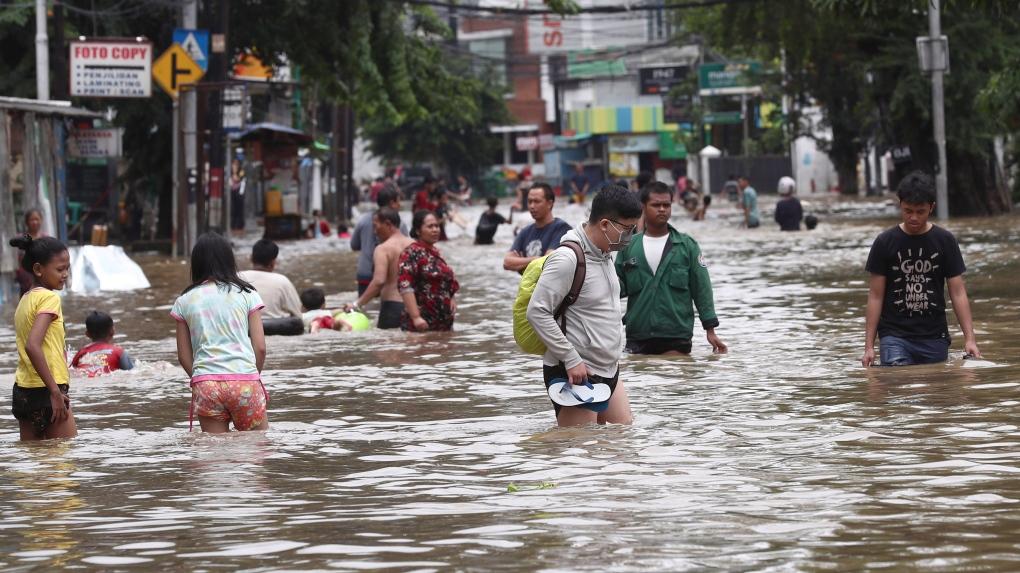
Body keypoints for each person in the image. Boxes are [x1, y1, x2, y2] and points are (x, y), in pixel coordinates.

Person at [526, 184, 643, 426]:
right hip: (576, 372)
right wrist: (570, 358)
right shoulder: (567, 258)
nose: (630, 237)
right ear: (604, 224)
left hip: (609, 368)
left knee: (623, 441)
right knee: (579, 452)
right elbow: (537, 312)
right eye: (627, 230)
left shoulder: (606, 254)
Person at [861, 171, 981, 367]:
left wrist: (970, 339)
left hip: (934, 336)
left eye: (920, 211)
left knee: (933, 390)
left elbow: (958, 292)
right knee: (897, 384)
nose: (914, 218)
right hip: (894, 335)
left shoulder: (945, 241)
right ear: (900, 204)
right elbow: (875, 295)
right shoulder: (885, 242)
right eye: (908, 211)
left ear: (931, 207)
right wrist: (869, 347)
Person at [171, 233, 268, 433]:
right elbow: (260, 347)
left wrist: (202, 378)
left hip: (206, 384)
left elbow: (183, 356)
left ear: (196, 264)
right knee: (256, 452)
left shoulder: (184, 300)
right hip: (245, 381)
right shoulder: (247, 294)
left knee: (215, 456)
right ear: (229, 260)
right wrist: (251, 377)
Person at [616, 182, 727, 356]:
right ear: (643, 207)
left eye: (666, 205)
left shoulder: (687, 246)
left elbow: (702, 288)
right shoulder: (628, 246)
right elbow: (613, 287)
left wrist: (710, 330)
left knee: (675, 376)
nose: (662, 209)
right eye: (656, 205)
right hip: (638, 335)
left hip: (676, 335)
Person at [9, 234, 75, 441]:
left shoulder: (24, 300)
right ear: (38, 269)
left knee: (34, 463)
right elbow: (33, 346)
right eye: (59, 269)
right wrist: (55, 392)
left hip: (23, 391)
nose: (65, 274)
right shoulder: (49, 298)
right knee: (62, 461)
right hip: (48, 389)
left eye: (67, 268)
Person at [347, 207, 414, 329]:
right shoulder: (415, 245)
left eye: (375, 226)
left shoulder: (383, 249)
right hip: (415, 308)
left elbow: (379, 281)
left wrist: (357, 304)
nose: (374, 231)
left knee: (387, 346)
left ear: (388, 224)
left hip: (392, 308)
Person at [398, 210, 459, 332]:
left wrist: (452, 298)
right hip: (422, 325)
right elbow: (405, 286)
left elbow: (446, 281)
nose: (435, 229)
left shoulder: (436, 252)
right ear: (418, 231)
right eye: (430, 226)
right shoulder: (411, 253)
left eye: (437, 226)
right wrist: (416, 318)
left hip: (443, 325)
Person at [503, 183, 572, 274]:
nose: (532, 206)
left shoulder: (562, 229)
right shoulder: (525, 231)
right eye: (529, 201)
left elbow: (548, 261)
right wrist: (535, 259)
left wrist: (521, 261)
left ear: (549, 203)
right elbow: (507, 262)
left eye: (537, 201)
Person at [351, 187, 406, 295]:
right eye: (398, 201)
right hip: (389, 275)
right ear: (392, 203)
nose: (400, 205)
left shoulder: (363, 220)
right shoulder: (399, 224)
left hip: (365, 273)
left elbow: (354, 245)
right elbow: (406, 250)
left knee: (364, 308)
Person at [238, 239, 302, 319]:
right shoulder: (282, 281)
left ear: (251, 259)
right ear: (273, 263)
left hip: (245, 328)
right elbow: (297, 313)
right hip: (277, 327)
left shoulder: (237, 277)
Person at [71, 311, 135, 377]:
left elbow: (71, 371)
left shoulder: (81, 352)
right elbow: (131, 372)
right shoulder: (119, 352)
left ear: (87, 334)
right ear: (112, 331)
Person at [16, 209, 46, 297]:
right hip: (25, 275)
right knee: (26, 299)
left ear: (41, 221)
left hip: (42, 274)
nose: (35, 222)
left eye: (37, 219)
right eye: (32, 220)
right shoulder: (20, 238)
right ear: (27, 222)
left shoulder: (45, 238)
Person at [229, 158, 246, 234]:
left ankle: (240, 225)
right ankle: (232, 225)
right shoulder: (230, 171)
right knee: (233, 209)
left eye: (236, 164)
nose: (235, 165)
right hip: (232, 191)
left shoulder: (241, 171)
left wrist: (235, 173)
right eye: (233, 164)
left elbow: (239, 179)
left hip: (239, 192)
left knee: (240, 209)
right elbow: (230, 181)